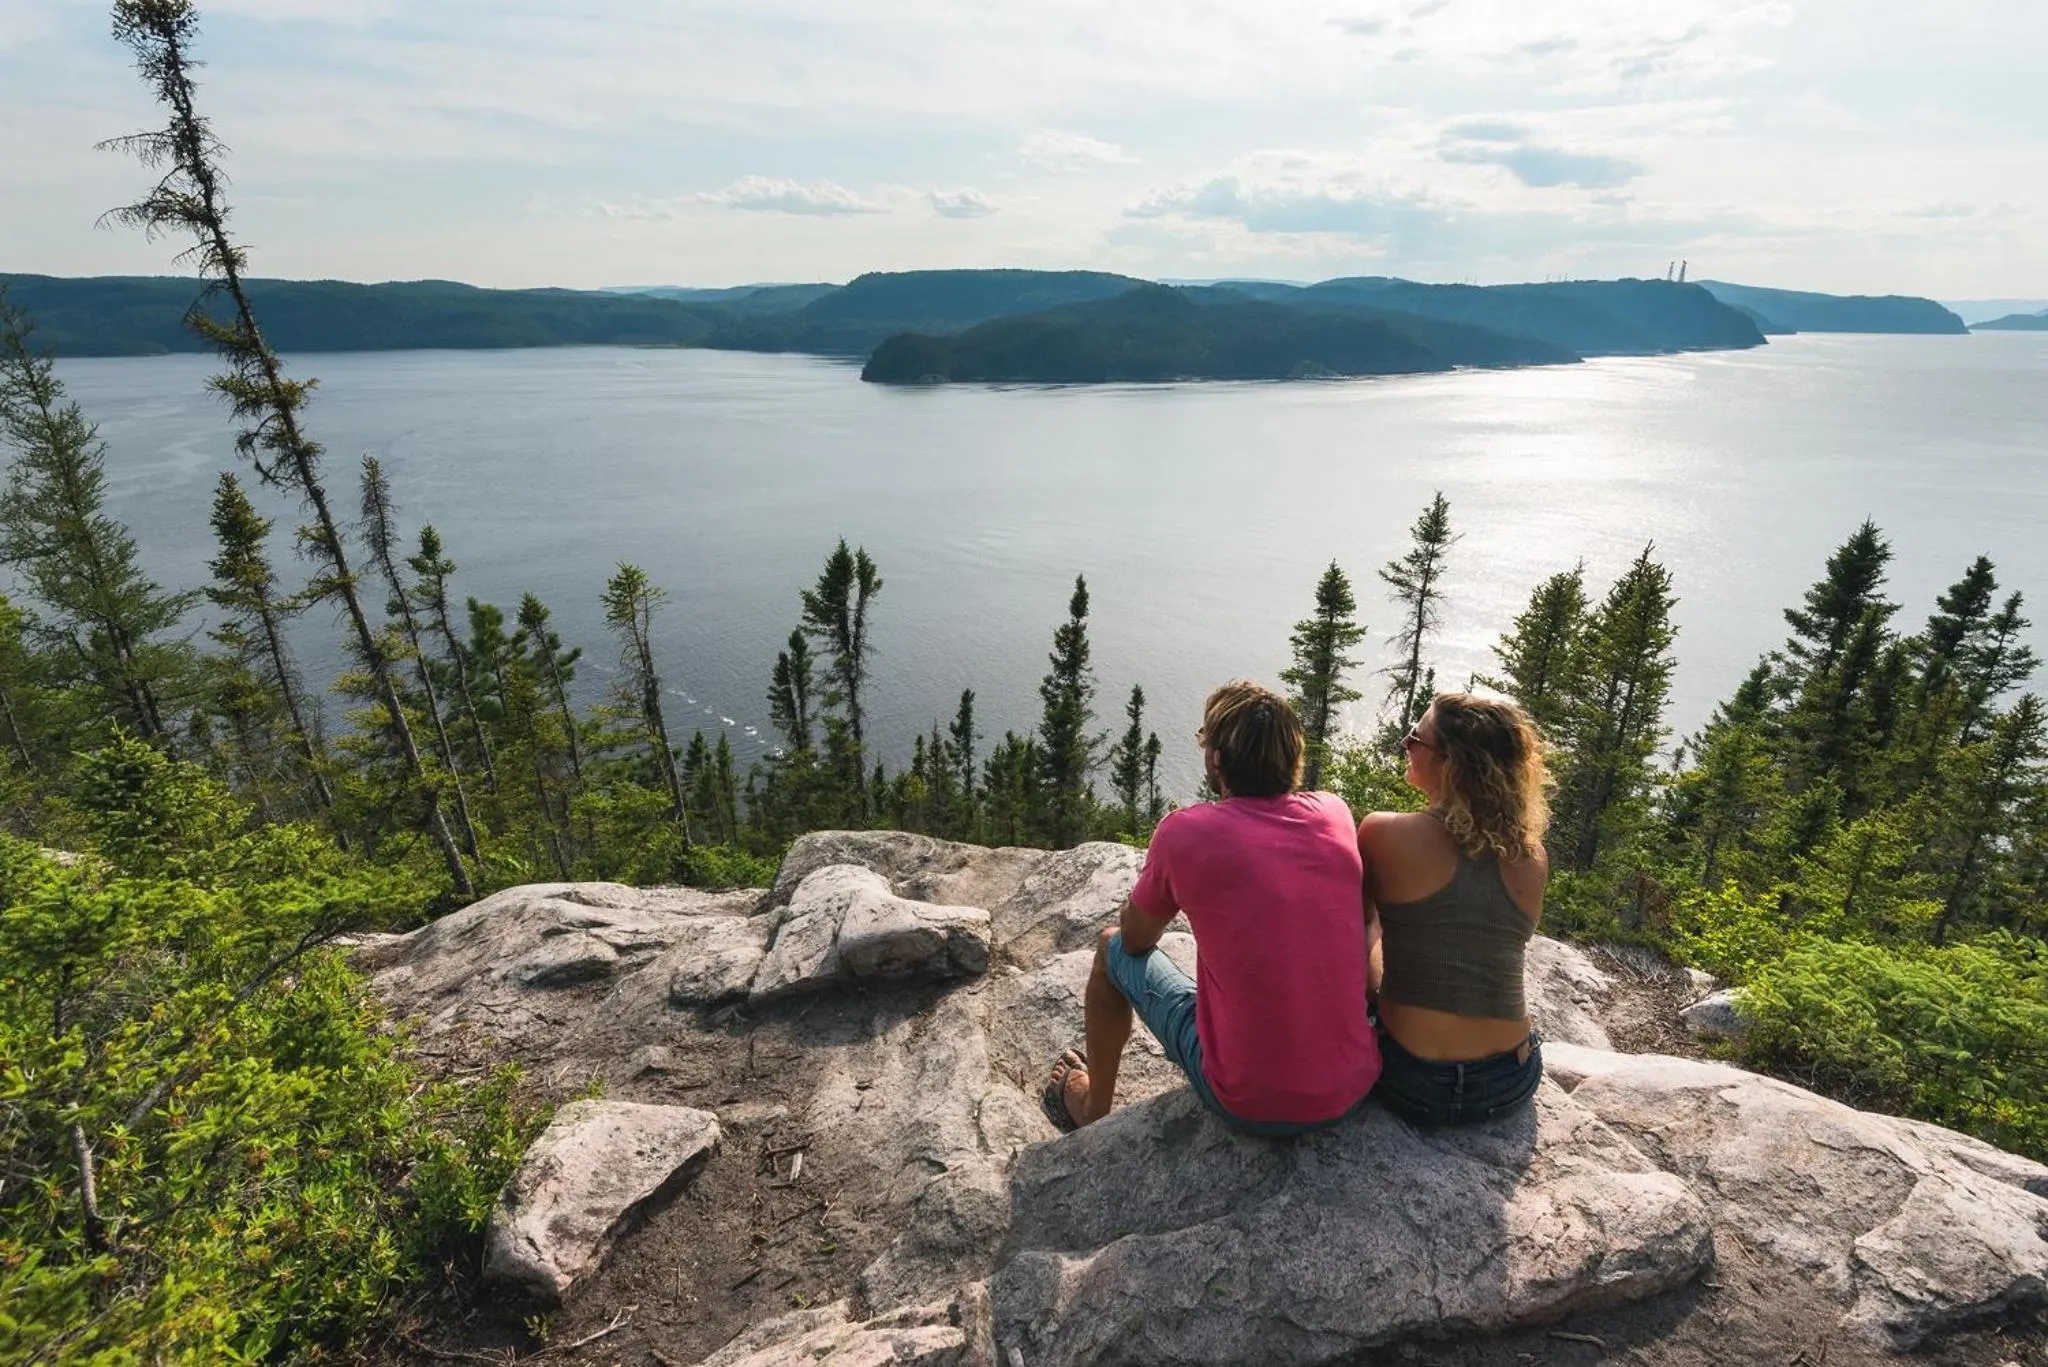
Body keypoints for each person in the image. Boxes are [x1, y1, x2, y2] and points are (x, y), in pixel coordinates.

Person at [1044, 680, 1380, 1136]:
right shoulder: (1334, 812)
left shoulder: (1186, 832)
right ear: (1293, 756)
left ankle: (1091, 1105)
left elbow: (1136, 939)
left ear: (1216, 758)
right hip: (1352, 1086)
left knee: (1110, 950)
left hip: (1250, 1101)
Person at [1359, 692, 1551, 1127]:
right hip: (1509, 1082)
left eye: (1416, 738)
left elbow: (1362, 929)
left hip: (1410, 1079)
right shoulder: (1531, 856)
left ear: (1451, 764)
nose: (1405, 743)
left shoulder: (1383, 833)